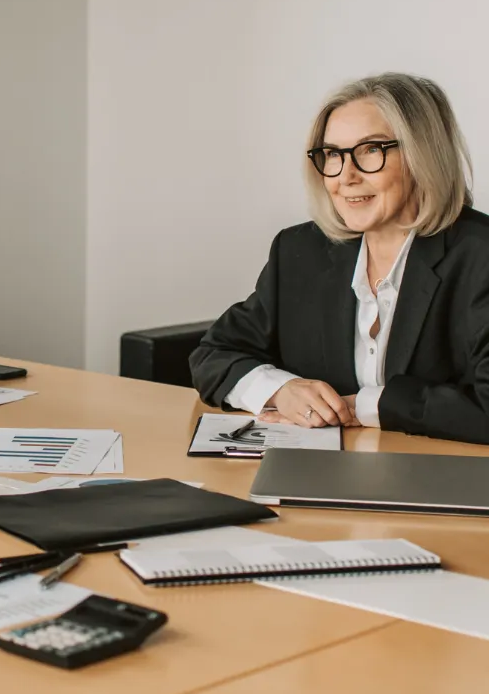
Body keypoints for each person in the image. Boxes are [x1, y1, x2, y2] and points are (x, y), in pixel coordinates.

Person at [191, 73, 489, 444]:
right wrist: (281, 390)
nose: (345, 176)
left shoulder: (479, 257)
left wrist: (368, 406)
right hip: (322, 475)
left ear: (422, 155)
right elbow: (214, 353)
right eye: (332, 154)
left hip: (447, 481)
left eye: (370, 150)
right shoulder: (301, 252)